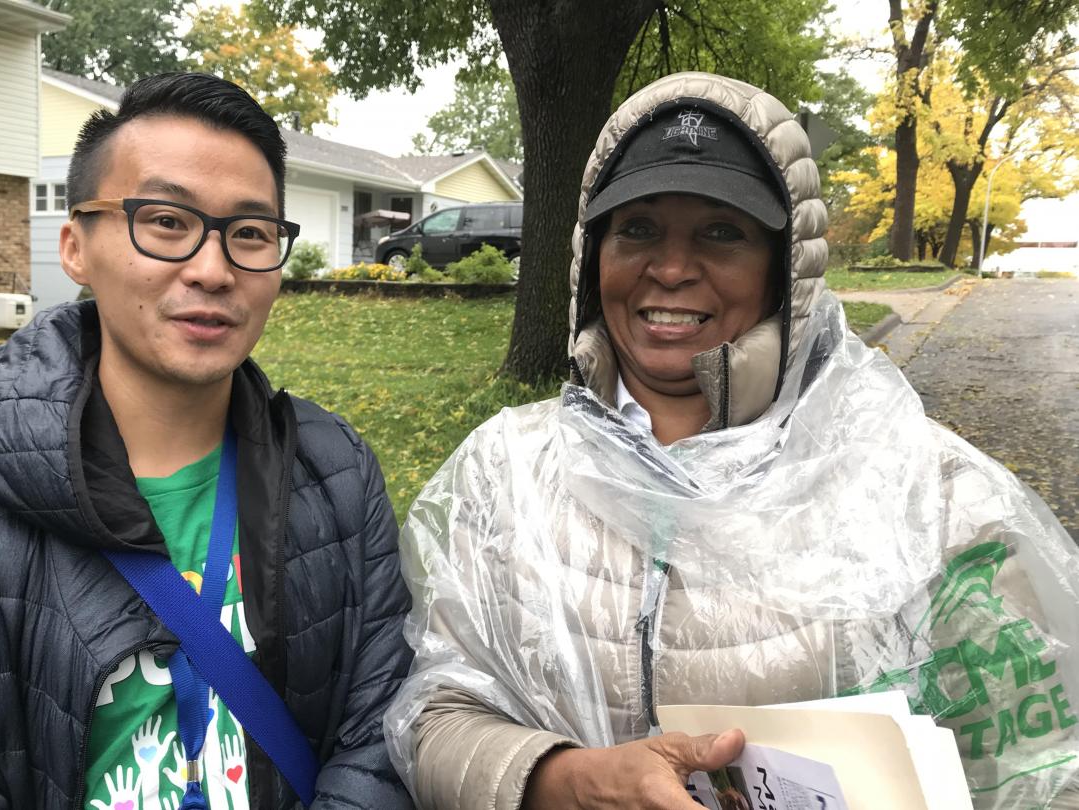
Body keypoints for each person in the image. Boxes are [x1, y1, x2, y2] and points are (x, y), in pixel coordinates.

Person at [384, 71, 1079, 809]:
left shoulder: (926, 495)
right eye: (637, 228)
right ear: (593, 258)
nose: (672, 268)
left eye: (722, 231)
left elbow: (1035, 771)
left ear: (786, 271)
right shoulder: (502, 474)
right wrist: (569, 782)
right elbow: (433, 714)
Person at [0, 72, 413, 810]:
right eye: (165, 220)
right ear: (74, 247)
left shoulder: (337, 475)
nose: (213, 269)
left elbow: (381, 733)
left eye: (250, 233)